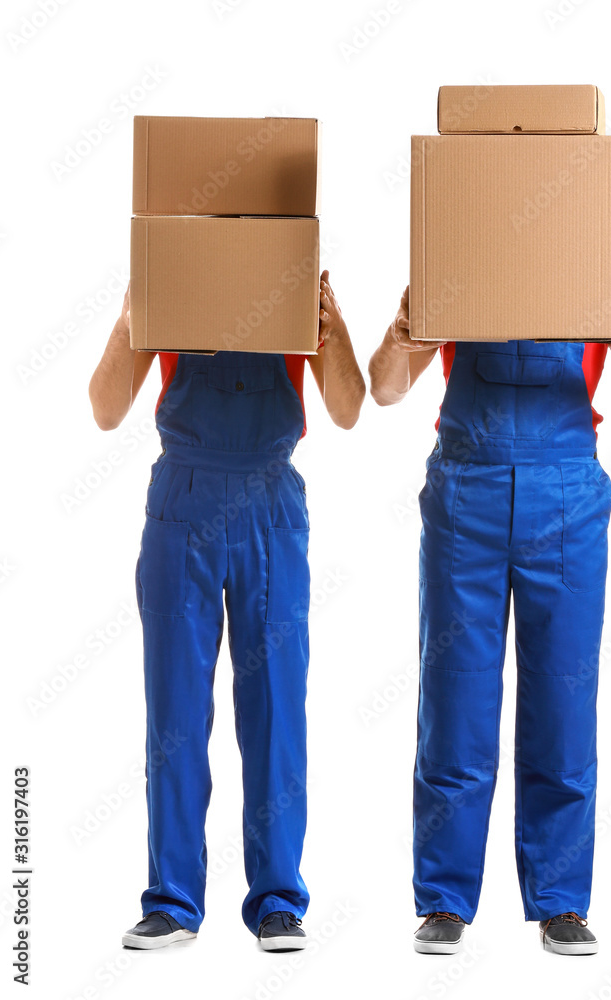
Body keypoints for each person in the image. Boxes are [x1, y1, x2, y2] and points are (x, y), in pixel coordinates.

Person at [368, 275, 611, 956]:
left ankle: (561, 902)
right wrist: (402, 331)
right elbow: (385, 389)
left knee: (564, 702)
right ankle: (444, 901)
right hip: (466, 494)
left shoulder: (595, 259)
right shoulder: (452, 253)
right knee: (455, 703)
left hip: (564, 495)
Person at [89, 270, 365, 951]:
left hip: (269, 500)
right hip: (183, 497)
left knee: (276, 708)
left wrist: (333, 331)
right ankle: (173, 902)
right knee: (176, 712)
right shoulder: (175, 264)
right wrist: (132, 322)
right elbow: (103, 408)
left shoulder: (293, 269)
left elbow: (351, 408)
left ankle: (278, 900)